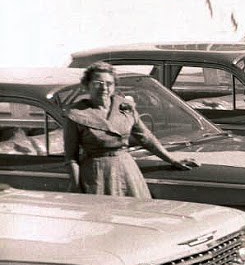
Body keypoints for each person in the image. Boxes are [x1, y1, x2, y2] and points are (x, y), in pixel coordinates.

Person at [63, 61, 197, 197]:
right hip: (96, 175)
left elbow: (146, 137)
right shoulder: (76, 114)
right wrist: (76, 187)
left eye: (109, 84)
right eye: (98, 83)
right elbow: (71, 158)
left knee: (134, 212)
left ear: (114, 86)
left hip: (126, 170)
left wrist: (172, 160)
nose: (104, 88)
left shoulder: (125, 107)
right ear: (87, 86)